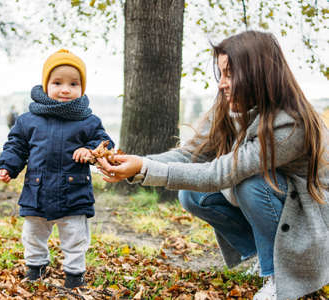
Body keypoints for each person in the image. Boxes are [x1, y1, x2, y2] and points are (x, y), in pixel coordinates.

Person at [97, 31, 328, 300]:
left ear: (257, 74)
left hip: (309, 219)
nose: (222, 84)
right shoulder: (230, 107)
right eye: (222, 74)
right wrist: (139, 164)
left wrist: (144, 169)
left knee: (250, 183)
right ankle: (263, 256)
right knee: (193, 194)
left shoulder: (290, 124)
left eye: (230, 74)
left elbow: (221, 174)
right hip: (279, 201)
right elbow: (190, 155)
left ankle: (278, 272)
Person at [0, 49, 114, 289]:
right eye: (57, 82)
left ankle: (74, 274)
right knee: (33, 234)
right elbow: (17, 146)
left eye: (74, 83)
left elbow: (106, 143)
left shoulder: (88, 120)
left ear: (82, 87)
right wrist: (8, 165)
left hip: (74, 192)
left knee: (75, 236)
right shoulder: (29, 120)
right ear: (46, 84)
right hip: (37, 191)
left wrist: (91, 151)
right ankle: (35, 268)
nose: (65, 89)